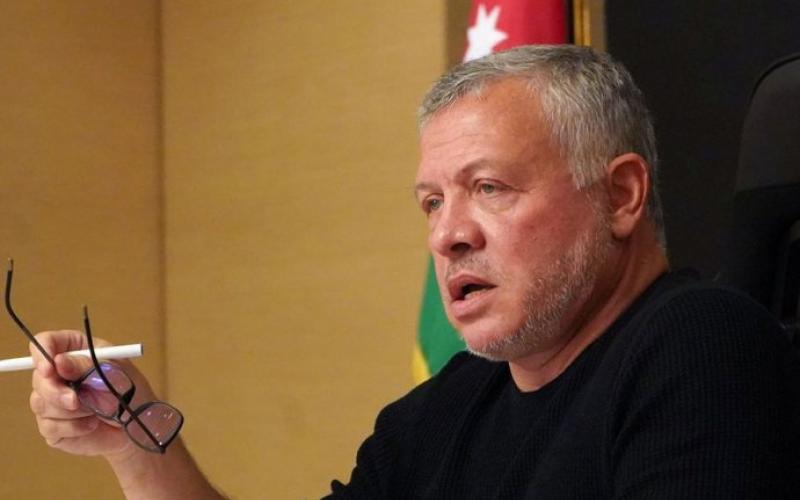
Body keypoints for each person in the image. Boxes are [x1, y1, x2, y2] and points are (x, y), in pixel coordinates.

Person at [28, 45, 800, 499]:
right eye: (432, 202)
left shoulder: (702, 346)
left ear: (621, 195)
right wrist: (132, 436)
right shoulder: (443, 412)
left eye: (488, 188)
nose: (447, 235)